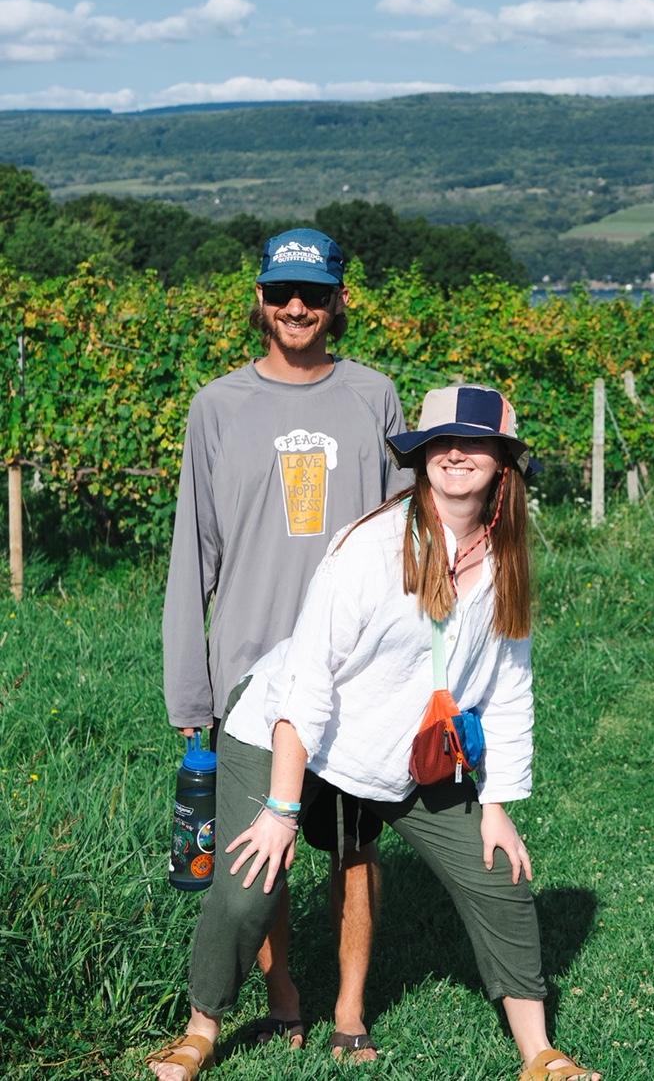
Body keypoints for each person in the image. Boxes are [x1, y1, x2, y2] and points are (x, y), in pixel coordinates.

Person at [147, 384, 600, 1081]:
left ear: (503, 463)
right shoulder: (370, 546)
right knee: (247, 888)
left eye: (475, 442)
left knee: (501, 878)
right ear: (421, 458)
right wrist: (281, 811)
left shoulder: (505, 561)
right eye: (440, 442)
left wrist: (499, 806)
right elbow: (307, 683)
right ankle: (201, 1027)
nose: (456, 453)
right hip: (285, 731)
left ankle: (540, 1054)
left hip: (405, 756)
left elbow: (511, 690)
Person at [161, 227, 411, 1062]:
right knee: (258, 860)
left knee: (351, 852)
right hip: (247, 677)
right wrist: (189, 696)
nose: (294, 307)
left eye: (311, 294)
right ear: (259, 300)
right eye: (279, 292)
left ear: (340, 301)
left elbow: (410, 542)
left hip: (353, 672)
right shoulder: (216, 407)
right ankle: (282, 994)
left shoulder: (375, 398)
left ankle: (348, 1012)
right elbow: (191, 556)